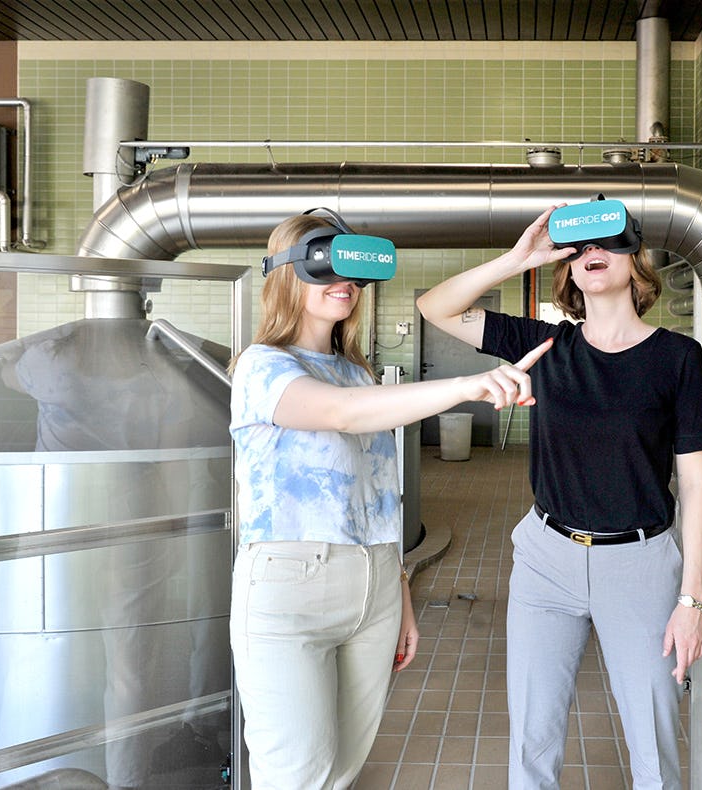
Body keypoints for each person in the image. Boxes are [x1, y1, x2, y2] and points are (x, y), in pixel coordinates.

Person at [228, 211, 551, 789]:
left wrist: (398, 591)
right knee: (295, 774)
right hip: (289, 584)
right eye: (327, 265)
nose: (345, 283)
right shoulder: (261, 366)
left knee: (344, 767)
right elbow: (340, 415)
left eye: (353, 271)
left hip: (374, 579)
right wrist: (470, 385)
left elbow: (379, 493)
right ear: (286, 273)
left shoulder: (356, 372)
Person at [417, 200, 702, 790]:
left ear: (636, 260)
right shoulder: (545, 343)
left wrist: (693, 601)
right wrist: (516, 260)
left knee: (653, 739)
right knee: (532, 735)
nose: (592, 254)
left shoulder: (677, 357)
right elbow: (435, 307)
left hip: (639, 563)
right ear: (568, 270)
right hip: (545, 558)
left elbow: (697, 485)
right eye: (579, 248)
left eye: (607, 242)